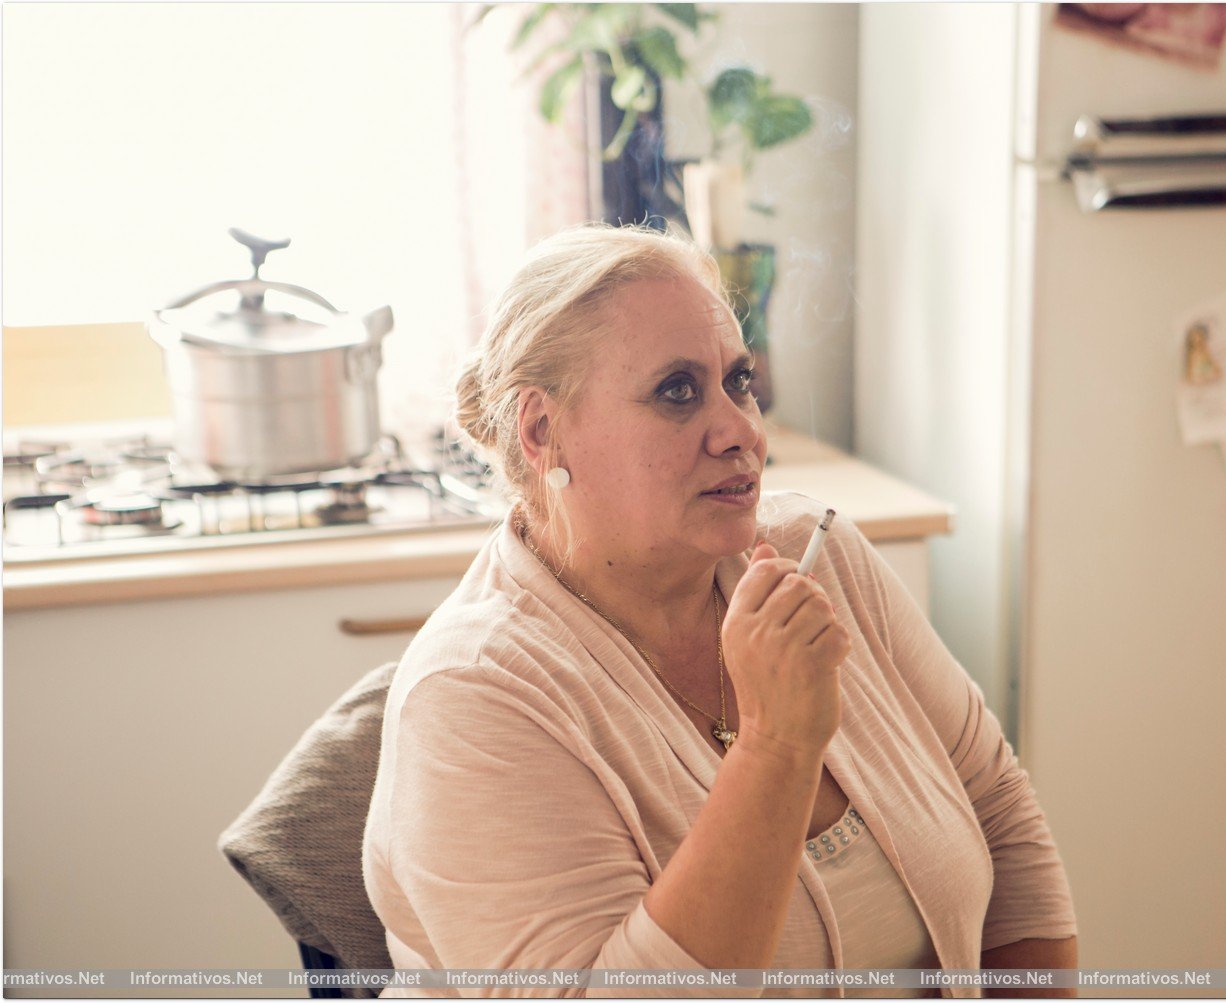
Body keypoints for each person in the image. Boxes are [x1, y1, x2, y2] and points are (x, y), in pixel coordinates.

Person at [362, 223, 1078, 998]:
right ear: (543, 431)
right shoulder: (473, 696)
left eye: (738, 382)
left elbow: (1000, 814)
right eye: (678, 392)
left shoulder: (816, 551)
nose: (741, 431)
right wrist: (775, 747)